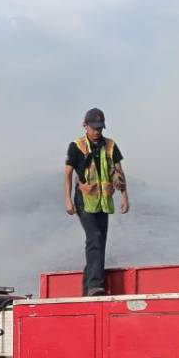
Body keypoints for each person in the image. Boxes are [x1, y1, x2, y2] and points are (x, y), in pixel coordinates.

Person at [64, 106, 129, 296]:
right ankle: (95, 285)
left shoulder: (110, 145)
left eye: (100, 128)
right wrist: (68, 200)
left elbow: (119, 172)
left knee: (100, 242)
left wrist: (125, 197)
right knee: (95, 238)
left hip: (103, 201)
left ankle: (88, 290)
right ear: (85, 126)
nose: (97, 132)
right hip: (84, 199)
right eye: (94, 128)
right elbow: (68, 173)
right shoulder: (76, 146)